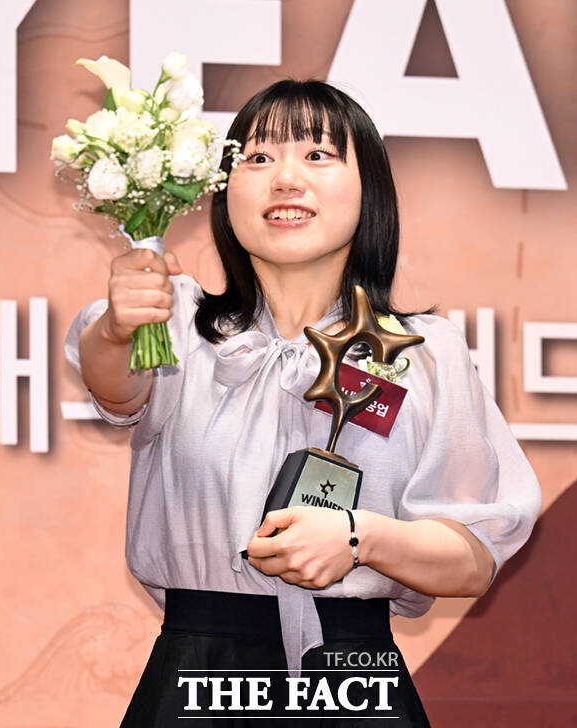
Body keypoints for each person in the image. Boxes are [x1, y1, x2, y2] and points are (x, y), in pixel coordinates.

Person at [64, 80, 542, 727]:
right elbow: (114, 385)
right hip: (199, 684)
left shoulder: (423, 353)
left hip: (355, 682)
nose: (286, 178)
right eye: (259, 158)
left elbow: (473, 559)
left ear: (369, 189)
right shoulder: (175, 325)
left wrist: (361, 538)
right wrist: (120, 327)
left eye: (318, 155)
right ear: (225, 193)